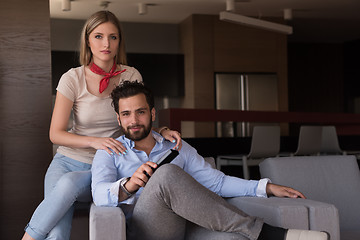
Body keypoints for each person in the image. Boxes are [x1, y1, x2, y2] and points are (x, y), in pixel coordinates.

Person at [91, 80, 329, 240]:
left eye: (140, 112)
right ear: (119, 119)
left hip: (176, 227)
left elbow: (216, 183)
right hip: (141, 231)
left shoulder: (176, 147)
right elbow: (99, 195)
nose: (134, 120)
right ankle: (270, 234)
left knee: (167, 172)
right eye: (126, 114)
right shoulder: (109, 152)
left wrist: (265, 186)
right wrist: (129, 185)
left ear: (152, 113)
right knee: (165, 174)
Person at [22, 11, 181, 240]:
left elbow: (135, 122)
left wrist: (161, 131)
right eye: (98, 36)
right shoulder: (72, 78)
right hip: (66, 162)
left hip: (106, 165)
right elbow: (55, 134)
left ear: (119, 41)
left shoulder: (131, 75)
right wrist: (95, 141)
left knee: (70, 188)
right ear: (87, 40)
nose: (106, 43)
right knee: (56, 234)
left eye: (113, 37)